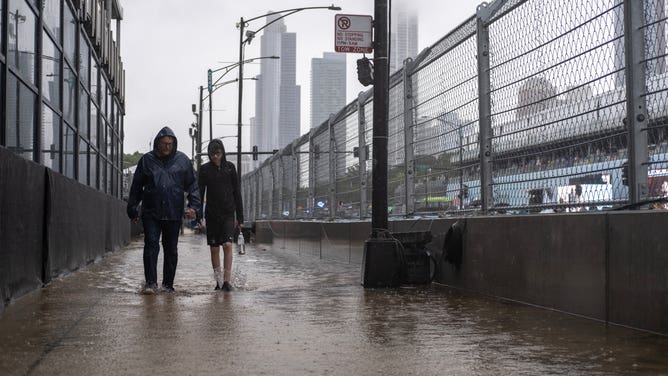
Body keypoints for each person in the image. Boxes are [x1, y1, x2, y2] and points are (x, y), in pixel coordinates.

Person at [127, 126, 201, 293]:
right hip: (151, 212)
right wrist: (132, 209)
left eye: (170, 143)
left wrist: (194, 207)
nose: (167, 146)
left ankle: (168, 285)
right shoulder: (146, 160)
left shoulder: (183, 161)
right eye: (164, 143)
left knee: (171, 249)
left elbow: (193, 186)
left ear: (174, 144)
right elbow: (137, 186)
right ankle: (151, 284)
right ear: (158, 143)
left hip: (173, 213)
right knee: (151, 245)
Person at [198, 139, 244, 291]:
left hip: (228, 213)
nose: (215, 157)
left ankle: (227, 281)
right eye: (212, 154)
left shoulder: (230, 168)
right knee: (214, 248)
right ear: (209, 155)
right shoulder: (204, 170)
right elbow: (200, 192)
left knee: (227, 244)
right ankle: (218, 282)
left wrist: (240, 217)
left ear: (222, 153)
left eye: (218, 153)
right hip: (211, 214)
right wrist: (199, 215)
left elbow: (237, 192)